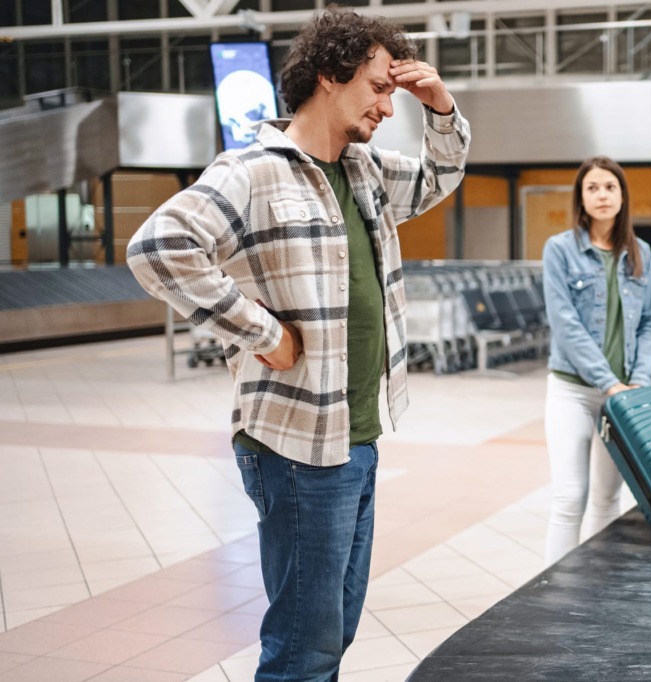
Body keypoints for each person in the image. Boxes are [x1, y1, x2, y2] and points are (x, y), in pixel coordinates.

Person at [125, 7, 470, 680]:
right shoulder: (253, 170)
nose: (387, 107)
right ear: (327, 76)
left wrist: (442, 105)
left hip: (357, 437)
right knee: (302, 650)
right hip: (294, 447)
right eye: (378, 87)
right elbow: (158, 248)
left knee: (330, 634)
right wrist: (261, 332)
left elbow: (437, 180)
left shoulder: (364, 172)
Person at [542, 156, 651, 565]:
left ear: (623, 195)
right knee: (569, 496)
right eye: (592, 188)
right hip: (573, 389)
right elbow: (565, 324)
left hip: (624, 394)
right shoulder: (559, 250)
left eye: (610, 187)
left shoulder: (640, 252)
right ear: (581, 197)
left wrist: (639, 378)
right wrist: (608, 382)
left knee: (608, 500)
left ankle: (595, 593)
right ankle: (554, 594)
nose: (602, 195)